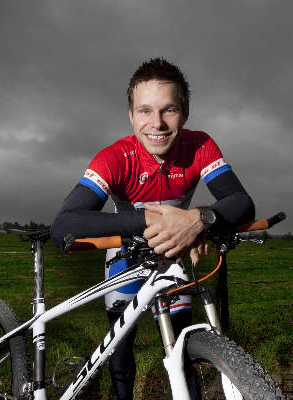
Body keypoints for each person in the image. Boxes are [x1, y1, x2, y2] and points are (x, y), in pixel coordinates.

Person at [51, 58, 255, 400]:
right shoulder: (116, 157)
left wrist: (198, 220)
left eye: (169, 110)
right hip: (124, 259)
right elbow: (64, 223)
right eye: (144, 111)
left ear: (185, 112)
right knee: (121, 353)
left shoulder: (200, 146)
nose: (156, 123)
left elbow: (241, 201)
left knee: (185, 349)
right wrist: (150, 220)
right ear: (131, 116)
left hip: (172, 255)